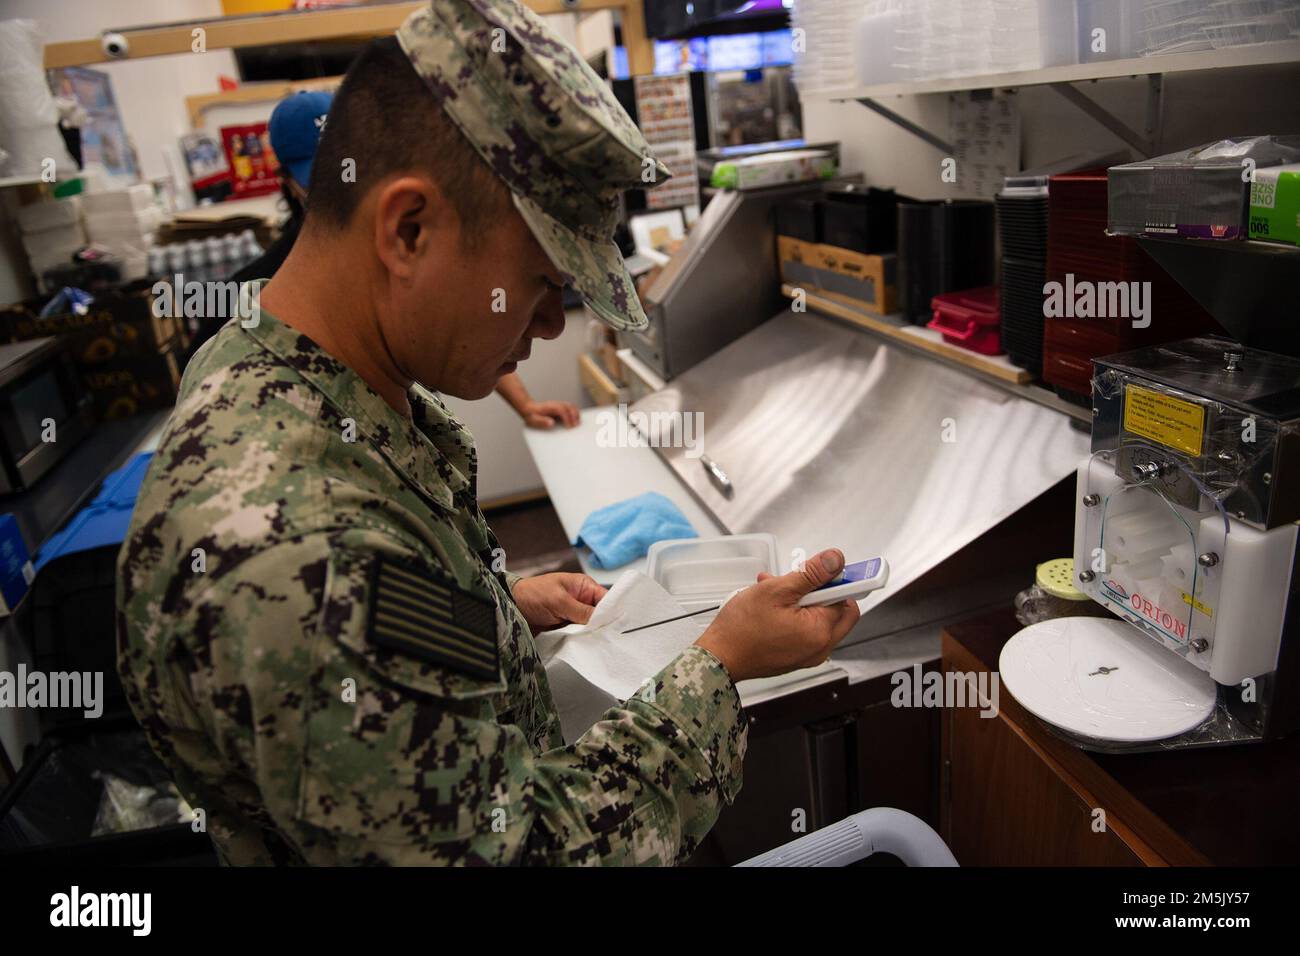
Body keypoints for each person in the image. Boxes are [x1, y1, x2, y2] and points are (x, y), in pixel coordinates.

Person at [116, 0, 859, 866]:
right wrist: (719, 667)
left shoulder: (276, 356)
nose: (548, 327)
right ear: (409, 229)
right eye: (542, 283)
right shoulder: (308, 565)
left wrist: (493, 610)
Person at [196, 90, 580, 430]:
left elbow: (462, 328)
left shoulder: (403, 244)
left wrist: (525, 404)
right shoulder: (257, 286)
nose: (345, 184)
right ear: (289, 182)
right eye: (324, 173)